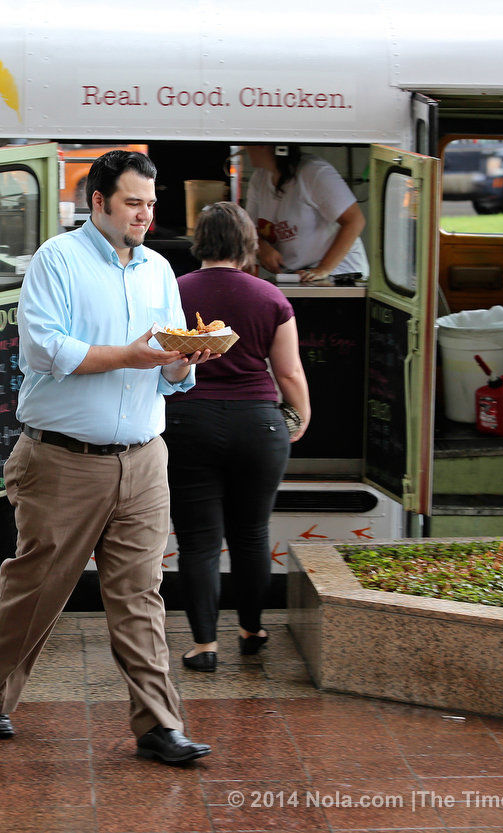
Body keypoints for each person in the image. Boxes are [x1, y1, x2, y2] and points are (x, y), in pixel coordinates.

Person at [0, 150, 215, 765]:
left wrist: (185, 360)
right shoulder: (58, 259)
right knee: (38, 588)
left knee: (140, 594)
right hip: (62, 461)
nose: (145, 215)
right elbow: (45, 348)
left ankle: (159, 727)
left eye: (151, 204)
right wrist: (131, 356)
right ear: (98, 202)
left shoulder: (160, 268)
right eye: (133, 203)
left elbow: (163, 366)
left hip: (144, 458)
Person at [164, 201, 310, 672]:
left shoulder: (174, 292)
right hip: (259, 425)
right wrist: (300, 418)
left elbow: (158, 359)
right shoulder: (270, 298)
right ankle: (252, 630)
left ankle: (205, 646)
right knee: (251, 535)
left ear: (200, 242)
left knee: (199, 542)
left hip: (189, 422)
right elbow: (287, 372)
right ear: (248, 244)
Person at [245, 144, 368, 284]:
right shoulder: (259, 179)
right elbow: (249, 229)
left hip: (341, 273)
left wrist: (323, 269)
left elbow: (355, 220)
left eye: (248, 143)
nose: (245, 148)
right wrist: (263, 248)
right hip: (299, 275)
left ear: (264, 146)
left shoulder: (314, 172)